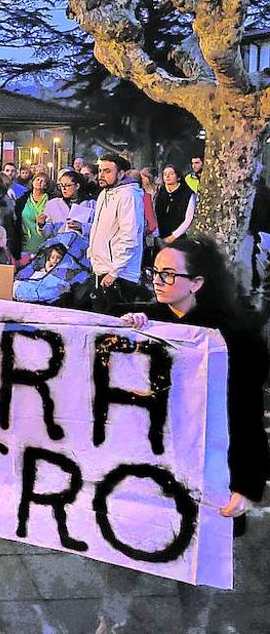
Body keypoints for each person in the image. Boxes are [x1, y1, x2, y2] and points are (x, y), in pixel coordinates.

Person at [116, 236, 269, 631]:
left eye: (169, 274)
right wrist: (128, 331)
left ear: (197, 283)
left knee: (198, 562)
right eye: (155, 272)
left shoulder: (234, 337)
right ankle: (114, 618)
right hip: (152, 464)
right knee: (128, 551)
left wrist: (248, 484)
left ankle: (195, 625)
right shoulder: (149, 320)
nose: (158, 281)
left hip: (206, 467)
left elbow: (246, 413)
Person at [81, 153, 146, 311]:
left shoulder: (129, 195)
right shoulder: (104, 193)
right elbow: (100, 228)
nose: (101, 175)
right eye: (100, 170)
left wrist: (114, 272)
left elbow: (129, 237)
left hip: (119, 274)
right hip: (101, 269)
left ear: (121, 173)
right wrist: (92, 253)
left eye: (107, 171)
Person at [154, 163, 197, 246]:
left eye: (171, 174)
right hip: (161, 237)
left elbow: (188, 219)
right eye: (165, 174)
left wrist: (174, 236)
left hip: (179, 238)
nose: (167, 176)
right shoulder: (160, 193)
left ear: (178, 176)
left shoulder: (187, 194)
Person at [43, 170, 94, 239]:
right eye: (61, 185)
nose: (63, 189)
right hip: (59, 246)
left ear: (77, 186)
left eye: (67, 185)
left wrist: (82, 227)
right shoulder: (53, 204)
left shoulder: (91, 204)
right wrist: (41, 224)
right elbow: (47, 233)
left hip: (82, 247)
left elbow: (99, 228)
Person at [14, 173, 51, 260]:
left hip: (45, 244)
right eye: (37, 179)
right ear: (32, 182)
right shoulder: (22, 201)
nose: (39, 182)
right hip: (25, 244)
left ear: (46, 185)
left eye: (43, 181)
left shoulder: (51, 201)